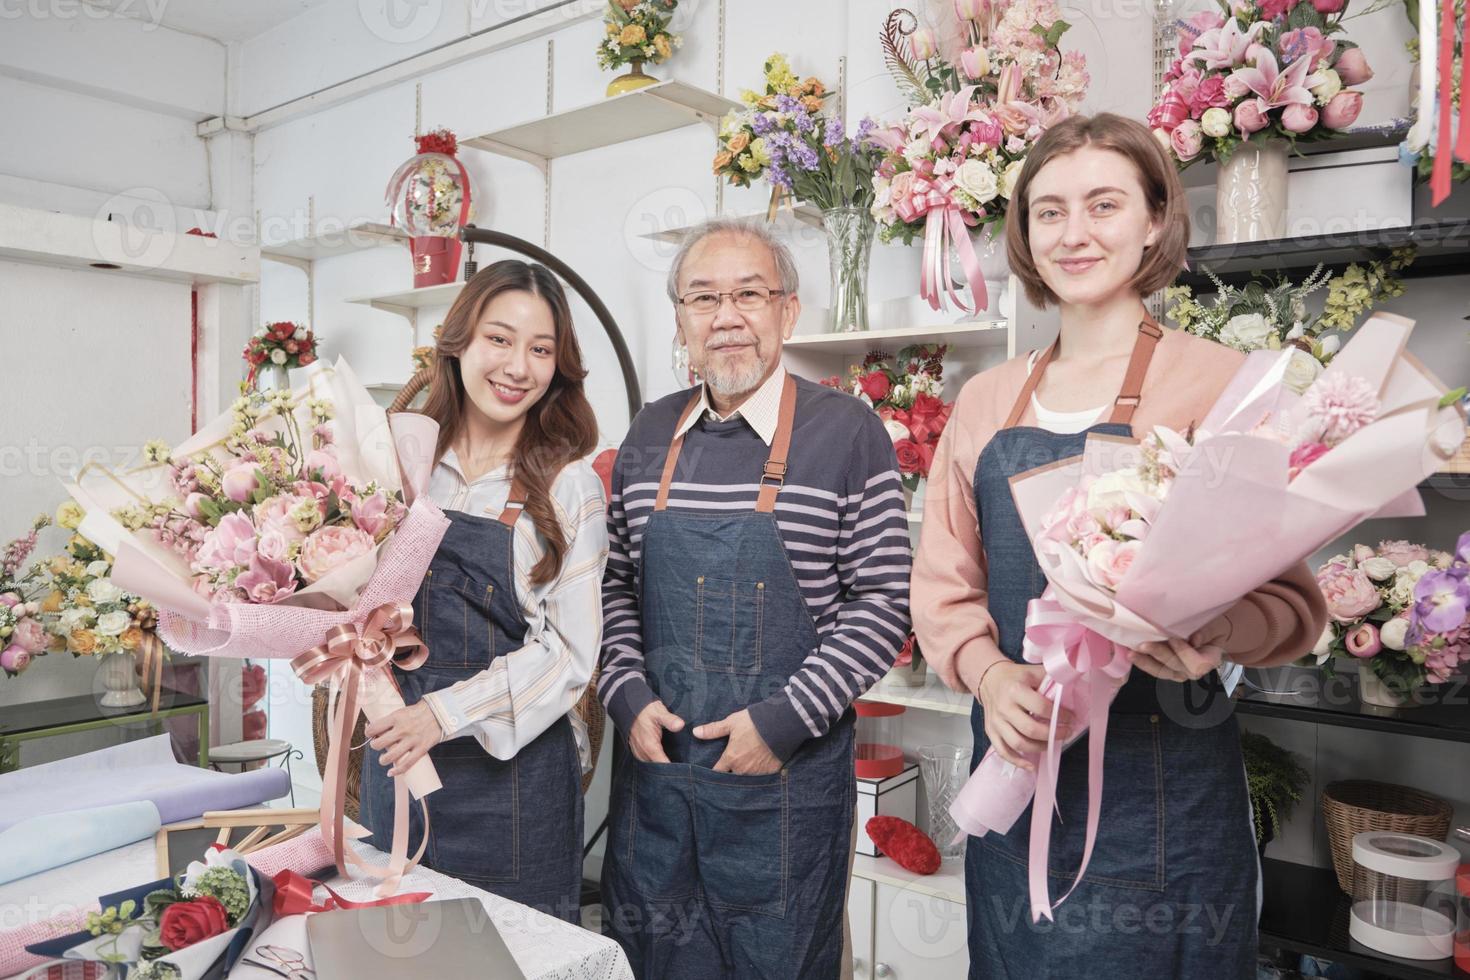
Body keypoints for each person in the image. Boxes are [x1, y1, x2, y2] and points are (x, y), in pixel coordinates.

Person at [911, 113, 1329, 977]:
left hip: (1165, 781)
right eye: (1049, 210)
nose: (1074, 233)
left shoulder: (1218, 384)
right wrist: (989, 675)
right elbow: (944, 586)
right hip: (1018, 765)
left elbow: (1290, 604)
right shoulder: (986, 401)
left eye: (1103, 204)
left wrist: (1217, 634)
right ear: (1024, 231)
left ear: (1153, 220)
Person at [597, 218, 912, 978]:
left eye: (749, 294)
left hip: (782, 793)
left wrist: (781, 722)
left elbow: (882, 604)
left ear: (788, 312)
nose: (726, 316)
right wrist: (625, 693)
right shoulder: (647, 432)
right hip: (659, 786)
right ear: (681, 319)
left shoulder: (847, 431)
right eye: (703, 297)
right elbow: (616, 584)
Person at [360, 259, 607, 922]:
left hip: (513, 789)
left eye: (541, 349)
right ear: (459, 341)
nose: (518, 366)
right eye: (499, 339)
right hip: (397, 767)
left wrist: (440, 715)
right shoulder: (397, 465)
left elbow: (570, 655)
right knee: (396, 955)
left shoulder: (568, 484)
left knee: (514, 957)